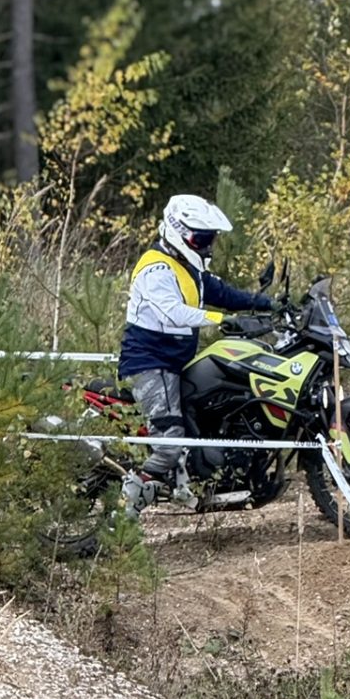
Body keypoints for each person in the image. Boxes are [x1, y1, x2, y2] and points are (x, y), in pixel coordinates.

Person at [117, 194, 273, 498]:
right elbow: (173, 313)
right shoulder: (155, 269)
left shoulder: (187, 266)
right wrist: (222, 320)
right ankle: (125, 510)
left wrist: (266, 303)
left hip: (177, 362)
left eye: (210, 238)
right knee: (169, 443)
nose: (207, 245)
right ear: (180, 233)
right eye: (201, 239)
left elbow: (222, 293)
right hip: (150, 364)